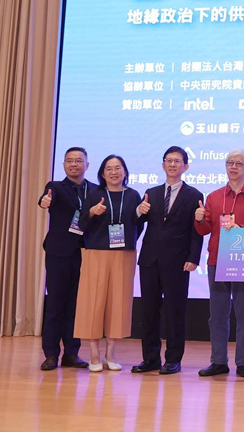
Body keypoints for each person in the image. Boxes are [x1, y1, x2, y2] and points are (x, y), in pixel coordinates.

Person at [131, 146, 204, 375]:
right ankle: (150, 358)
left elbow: (196, 230)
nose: (172, 164)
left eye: (177, 161)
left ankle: (173, 359)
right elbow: (137, 224)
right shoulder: (150, 193)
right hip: (150, 260)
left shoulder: (194, 195)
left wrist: (193, 258)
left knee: (175, 311)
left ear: (185, 166)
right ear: (163, 165)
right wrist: (138, 212)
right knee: (148, 311)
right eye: (169, 160)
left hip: (178, 261)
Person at [194, 149, 244, 378]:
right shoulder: (214, 196)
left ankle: (243, 362)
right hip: (217, 259)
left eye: (239, 164)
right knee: (217, 315)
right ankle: (218, 361)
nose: (233, 167)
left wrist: (241, 229)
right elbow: (205, 230)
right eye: (230, 163)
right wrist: (199, 219)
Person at [75, 155, 143, 371]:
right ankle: (94, 354)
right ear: (102, 174)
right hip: (96, 253)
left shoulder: (133, 195)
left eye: (118, 168)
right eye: (109, 168)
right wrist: (91, 212)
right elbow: (80, 224)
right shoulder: (94, 194)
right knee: (93, 303)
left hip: (124, 254)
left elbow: (138, 225)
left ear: (125, 172)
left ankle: (110, 354)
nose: (114, 172)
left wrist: (139, 217)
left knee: (118, 303)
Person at [37, 147, 95, 370]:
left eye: (78, 161)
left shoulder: (95, 190)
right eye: (69, 160)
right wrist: (44, 201)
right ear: (63, 165)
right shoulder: (55, 187)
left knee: (75, 306)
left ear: (87, 165)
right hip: (59, 253)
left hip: (86, 253)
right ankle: (51, 354)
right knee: (55, 304)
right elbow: (46, 199)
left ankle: (72, 353)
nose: (74, 164)